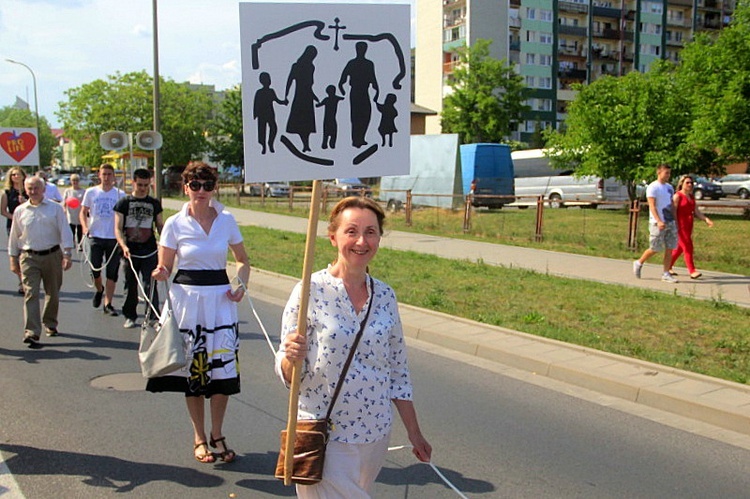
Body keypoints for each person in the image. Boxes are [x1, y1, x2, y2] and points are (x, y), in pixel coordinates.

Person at [276, 196, 432, 497]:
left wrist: (414, 432)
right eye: (351, 231)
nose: (361, 241)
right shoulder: (310, 290)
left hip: (374, 432)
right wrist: (289, 358)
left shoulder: (385, 296)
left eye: (370, 232)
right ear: (333, 236)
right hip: (325, 430)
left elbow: (397, 371)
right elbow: (287, 365)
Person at [149, 161, 250, 464]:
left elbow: (243, 260)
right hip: (187, 302)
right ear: (186, 187)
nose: (202, 191)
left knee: (221, 372)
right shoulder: (175, 223)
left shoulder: (227, 219)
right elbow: (165, 263)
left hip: (220, 302)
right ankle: (199, 436)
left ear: (215, 187)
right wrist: (161, 271)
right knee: (194, 372)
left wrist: (241, 286)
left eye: (208, 185)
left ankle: (217, 433)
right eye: (195, 185)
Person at [8, 176, 74, 346]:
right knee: (31, 293)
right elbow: (14, 236)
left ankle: (50, 323)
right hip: (29, 257)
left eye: (36, 188)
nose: (33, 191)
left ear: (44, 189)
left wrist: (67, 254)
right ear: (25, 190)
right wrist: (12, 258)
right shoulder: (20, 211)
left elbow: (65, 231)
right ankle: (32, 331)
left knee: (52, 292)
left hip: (52, 255)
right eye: (29, 188)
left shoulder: (55, 209)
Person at [114, 168, 164, 329]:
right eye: (140, 184)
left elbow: (160, 224)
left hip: (149, 249)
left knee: (150, 284)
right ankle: (130, 315)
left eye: (146, 185)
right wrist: (123, 245)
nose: (143, 188)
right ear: (133, 183)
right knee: (130, 284)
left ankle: (153, 316)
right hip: (130, 249)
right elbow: (117, 227)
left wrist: (165, 243)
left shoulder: (154, 203)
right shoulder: (124, 203)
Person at [80, 164, 126, 316]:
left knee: (112, 272)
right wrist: (85, 228)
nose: (106, 177)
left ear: (114, 176)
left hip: (113, 238)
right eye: (103, 174)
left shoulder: (120, 194)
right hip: (95, 236)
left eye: (109, 174)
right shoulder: (91, 192)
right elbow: (83, 212)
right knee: (95, 269)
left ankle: (108, 303)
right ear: (99, 175)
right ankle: (99, 289)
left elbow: (125, 216)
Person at [633, 163, 678, 283]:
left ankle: (666, 273)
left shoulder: (669, 187)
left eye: (669, 173)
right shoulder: (653, 187)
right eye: (666, 173)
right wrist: (658, 220)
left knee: (670, 248)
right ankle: (639, 262)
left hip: (670, 221)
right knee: (655, 248)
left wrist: (675, 219)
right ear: (659, 172)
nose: (668, 175)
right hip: (657, 222)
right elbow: (652, 206)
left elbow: (672, 204)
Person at [668, 174, 714, 280]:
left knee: (680, 248)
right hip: (680, 225)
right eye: (687, 182)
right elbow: (673, 211)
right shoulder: (678, 196)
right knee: (688, 246)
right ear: (682, 184)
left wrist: (706, 219)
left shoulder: (691, 197)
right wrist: (675, 225)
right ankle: (692, 271)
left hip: (689, 225)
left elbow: (696, 211)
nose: (689, 185)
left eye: (691, 183)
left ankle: (668, 266)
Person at [338, 41, 379, 148]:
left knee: (366, 114)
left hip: (365, 92)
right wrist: (341, 88)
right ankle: (356, 140)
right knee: (355, 116)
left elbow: (373, 78)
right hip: (355, 91)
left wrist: (377, 91)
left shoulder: (369, 64)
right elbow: (343, 77)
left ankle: (361, 138)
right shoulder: (352, 63)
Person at [285, 45, 319, 152]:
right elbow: (290, 80)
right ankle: (305, 144)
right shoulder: (297, 66)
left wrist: (314, 96)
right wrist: (286, 95)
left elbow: (310, 84)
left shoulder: (311, 66)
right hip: (300, 95)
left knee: (307, 122)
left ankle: (306, 144)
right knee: (301, 121)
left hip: (307, 95)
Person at [2, 166, 29, 294]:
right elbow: (3, 211)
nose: (16, 177)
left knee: (27, 252)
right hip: (13, 226)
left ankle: (29, 278)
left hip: (28, 226)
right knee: (17, 254)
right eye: (13, 175)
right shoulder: (7, 192)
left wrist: (25, 202)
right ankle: (22, 281)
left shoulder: (29, 191)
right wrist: (14, 217)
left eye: (18, 175)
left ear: (23, 176)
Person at [316, 84, 344, 149]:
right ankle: (326, 144)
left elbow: (319, 105)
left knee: (332, 132)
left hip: (330, 118)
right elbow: (319, 105)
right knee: (327, 132)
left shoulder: (331, 99)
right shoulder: (330, 99)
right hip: (328, 118)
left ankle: (330, 143)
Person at [62, 174, 85, 248]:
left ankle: (80, 244)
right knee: (71, 230)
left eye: (76, 180)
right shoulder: (68, 191)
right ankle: (72, 242)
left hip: (79, 213)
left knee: (79, 230)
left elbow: (85, 202)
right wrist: (64, 209)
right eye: (73, 180)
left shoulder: (83, 191)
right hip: (71, 213)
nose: (75, 182)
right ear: (71, 181)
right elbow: (64, 201)